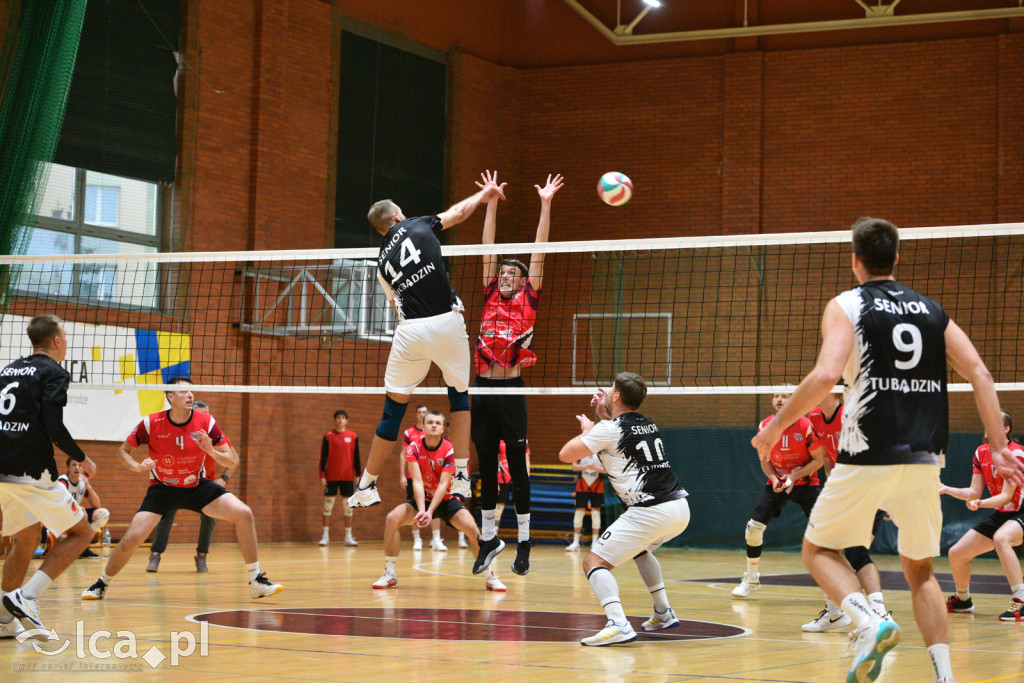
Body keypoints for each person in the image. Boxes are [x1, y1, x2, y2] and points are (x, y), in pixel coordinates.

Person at [752, 217, 1024, 683]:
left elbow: (823, 377)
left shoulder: (845, 305)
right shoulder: (932, 311)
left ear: (855, 260)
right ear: (897, 258)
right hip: (924, 458)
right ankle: (944, 676)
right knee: (920, 570)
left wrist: (775, 428)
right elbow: (979, 372)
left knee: (817, 550)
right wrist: (998, 447)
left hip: (866, 451)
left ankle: (868, 620)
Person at [347, 174, 507, 511]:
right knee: (459, 394)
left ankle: (365, 485)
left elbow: (396, 306)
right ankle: (461, 475)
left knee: (393, 410)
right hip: (446, 322)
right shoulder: (417, 224)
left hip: (411, 331)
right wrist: (482, 194)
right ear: (396, 216)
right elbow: (457, 215)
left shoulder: (381, 265)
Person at [82, 377, 282, 600]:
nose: (190, 395)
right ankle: (102, 584)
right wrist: (138, 467)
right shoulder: (151, 423)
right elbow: (123, 452)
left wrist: (210, 450)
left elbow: (232, 461)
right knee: (132, 538)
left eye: (191, 391)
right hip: (162, 489)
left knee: (244, 513)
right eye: (184, 392)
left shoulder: (206, 422)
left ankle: (256, 580)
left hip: (197, 487)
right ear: (170, 397)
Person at [473, 171, 563, 577]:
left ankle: (524, 541)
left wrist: (545, 204)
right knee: (486, 465)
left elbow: (539, 250)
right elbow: (487, 247)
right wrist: (490, 202)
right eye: (503, 271)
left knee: (519, 468)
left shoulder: (529, 295)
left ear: (524, 280)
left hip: (511, 388)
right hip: (481, 388)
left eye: (513, 272)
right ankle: (488, 538)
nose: (506, 274)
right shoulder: (491, 289)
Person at [558, 372, 691, 646]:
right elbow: (617, 436)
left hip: (650, 511)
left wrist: (587, 431)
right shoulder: (647, 424)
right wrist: (599, 413)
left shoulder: (607, 430)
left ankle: (618, 623)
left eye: (609, 389)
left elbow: (566, 454)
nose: (605, 392)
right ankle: (663, 612)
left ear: (616, 396)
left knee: (593, 562)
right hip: (679, 507)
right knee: (640, 550)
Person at [0, 315, 98, 639]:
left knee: (28, 538)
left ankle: (2, 618)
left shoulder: (10, 369)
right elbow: (54, 426)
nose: (66, 342)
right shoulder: (54, 372)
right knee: (83, 532)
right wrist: (82, 458)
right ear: (57, 341)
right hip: (31, 471)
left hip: (2, 470)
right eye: (66, 337)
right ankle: (28, 597)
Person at [372, 410, 505, 592]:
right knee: (392, 519)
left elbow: (444, 484)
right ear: (423, 427)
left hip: (447, 500)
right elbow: (417, 481)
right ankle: (390, 574)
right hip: (423, 499)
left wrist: (429, 511)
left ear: (443, 428)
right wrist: (421, 510)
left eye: (437, 423)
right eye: (430, 422)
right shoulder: (413, 447)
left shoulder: (450, 449)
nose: (434, 425)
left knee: (473, 530)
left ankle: (490, 576)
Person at [802, 390, 889, 632]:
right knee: (828, 551)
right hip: (844, 492)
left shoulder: (854, 415)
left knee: (851, 551)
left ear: (835, 392)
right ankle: (838, 613)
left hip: (869, 489)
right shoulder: (815, 416)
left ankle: (877, 614)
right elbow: (827, 458)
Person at [732, 392, 824, 598]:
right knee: (753, 528)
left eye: (786, 396)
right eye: (776, 396)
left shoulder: (806, 425)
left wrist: (795, 475)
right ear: (772, 401)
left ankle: (831, 580)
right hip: (778, 483)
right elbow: (764, 459)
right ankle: (751, 579)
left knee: (824, 532)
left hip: (806, 483)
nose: (780, 399)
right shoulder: (765, 426)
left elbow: (819, 460)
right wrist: (774, 478)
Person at [940, 410, 1024, 622]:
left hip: (1020, 511)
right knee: (956, 553)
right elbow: (973, 492)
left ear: (1007, 429)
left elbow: (1006, 496)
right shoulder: (981, 453)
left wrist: (981, 503)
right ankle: (963, 600)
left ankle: (1021, 600)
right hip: (1001, 514)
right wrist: (946, 488)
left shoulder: (1015, 453)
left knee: (1001, 539)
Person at [147, 400, 237, 572]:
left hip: (204, 484)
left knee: (210, 516)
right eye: (200, 414)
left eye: (207, 414)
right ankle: (156, 554)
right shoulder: (178, 433)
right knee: (166, 513)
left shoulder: (213, 433)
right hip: (177, 481)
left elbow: (234, 459)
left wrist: (223, 478)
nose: (204, 418)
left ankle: (202, 555)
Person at [399, 404, 445, 550]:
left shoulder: (434, 432)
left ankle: (436, 539)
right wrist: (402, 475)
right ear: (416, 415)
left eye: (424, 412)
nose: (421, 414)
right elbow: (402, 454)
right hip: (413, 475)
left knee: (434, 505)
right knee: (414, 506)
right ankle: (417, 539)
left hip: (432, 476)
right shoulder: (409, 433)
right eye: (419, 412)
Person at [318, 409, 360, 547]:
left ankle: (348, 537)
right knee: (328, 506)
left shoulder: (353, 436)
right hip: (331, 477)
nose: (341, 420)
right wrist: (322, 475)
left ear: (346, 420)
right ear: (335, 419)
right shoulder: (328, 436)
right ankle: (325, 536)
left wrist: (358, 474)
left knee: (348, 507)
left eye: (343, 418)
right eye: (338, 418)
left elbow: (356, 457)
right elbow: (323, 458)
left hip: (347, 477)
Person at [57, 456, 110, 558]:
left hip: (76, 515)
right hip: (61, 516)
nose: (77, 468)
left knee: (103, 513)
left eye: (79, 465)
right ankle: (69, 544)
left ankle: (83, 545)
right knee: (81, 512)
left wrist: (88, 485)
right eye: (74, 465)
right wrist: (77, 509)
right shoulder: (63, 481)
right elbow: (61, 504)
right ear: (68, 467)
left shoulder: (82, 482)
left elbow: (96, 505)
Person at [566, 452, 604, 552]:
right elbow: (574, 467)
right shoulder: (580, 449)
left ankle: (595, 542)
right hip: (582, 483)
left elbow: (607, 470)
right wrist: (586, 466)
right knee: (579, 512)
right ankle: (576, 542)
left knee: (596, 512)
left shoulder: (602, 450)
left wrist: (595, 468)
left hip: (597, 483)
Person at [494, 439, 531, 537]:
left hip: (517, 478)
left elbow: (526, 461)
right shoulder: (499, 439)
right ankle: (494, 535)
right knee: (499, 505)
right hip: (502, 478)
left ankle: (524, 536)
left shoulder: (522, 438)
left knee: (519, 505)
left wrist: (526, 479)